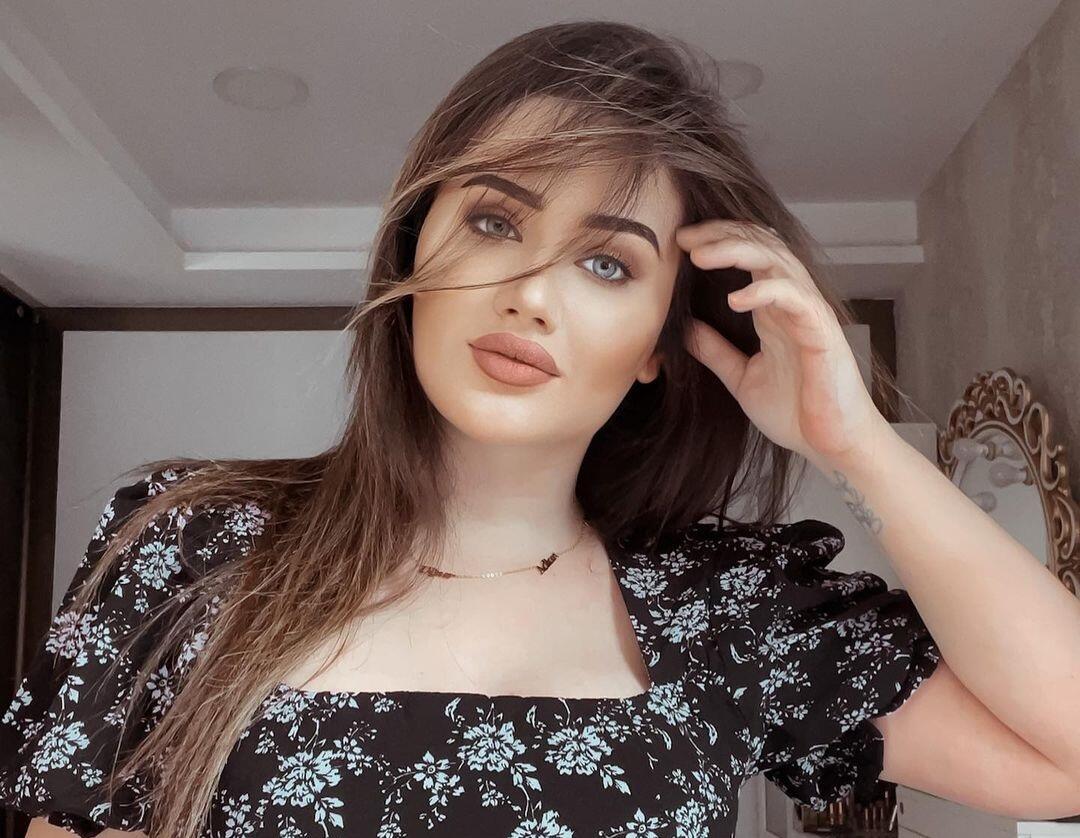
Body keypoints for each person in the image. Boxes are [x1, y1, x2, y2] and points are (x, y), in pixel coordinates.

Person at [4, 19, 1080, 838]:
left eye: (606, 263)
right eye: (494, 220)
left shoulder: (726, 615)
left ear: (659, 340)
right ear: (415, 248)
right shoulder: (192, 545)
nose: (531, 293)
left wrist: (858, 444)